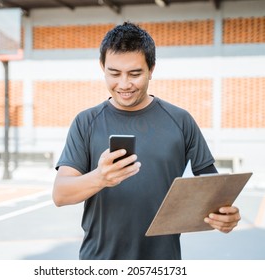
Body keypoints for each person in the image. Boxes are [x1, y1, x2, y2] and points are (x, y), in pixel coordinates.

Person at [52, 22, 241, 260]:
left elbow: (212, 186)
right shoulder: (85, 122)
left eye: (135, 73)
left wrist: (225, 215)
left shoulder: (180, 120)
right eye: (114, 73)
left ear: (151, 69)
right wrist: (99, 178)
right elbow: (60, 194)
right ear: (102, 67)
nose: (124, 84)